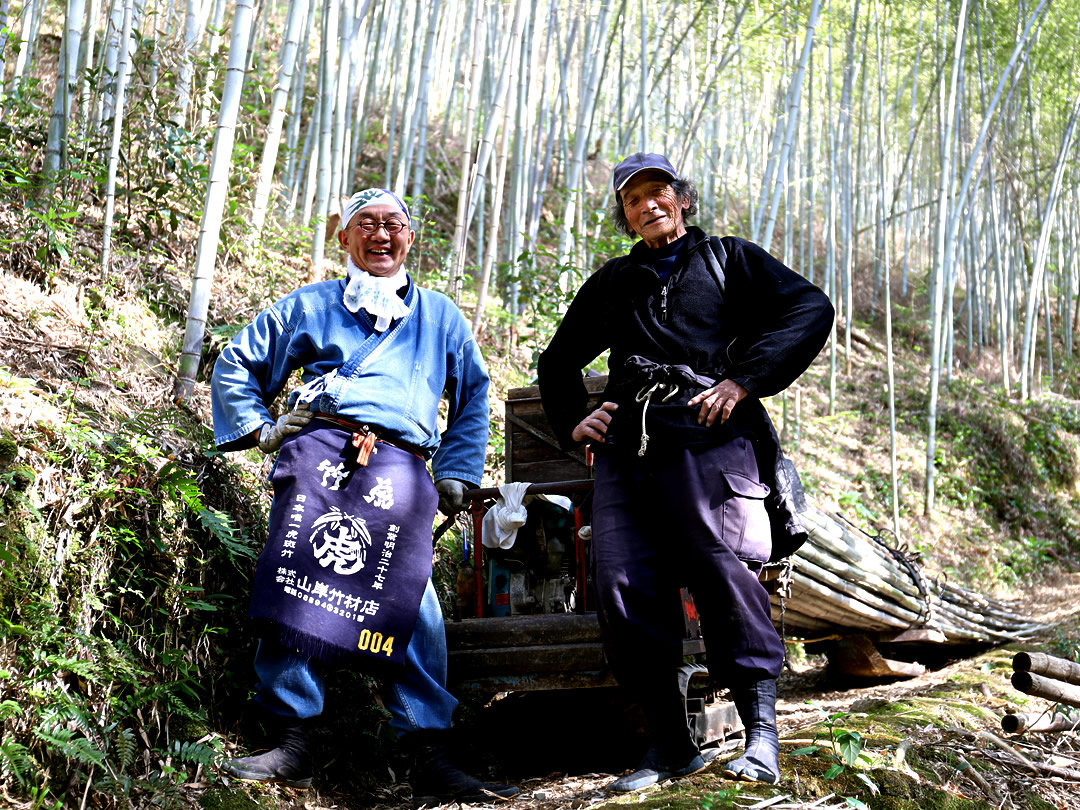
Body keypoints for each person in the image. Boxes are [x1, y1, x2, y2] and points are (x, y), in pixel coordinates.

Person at [537, 153, 833, 791]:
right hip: (628, 449)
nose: (649, 206)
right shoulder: (614, 282)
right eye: (634, 200)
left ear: (683, 199)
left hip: (709, 436)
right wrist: (572, 423)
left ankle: (760, 736)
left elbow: (809, 309)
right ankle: (671, 746)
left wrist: (744, 381)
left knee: (724, 572)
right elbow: (558, 360)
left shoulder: (731, 259)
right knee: (620, 587)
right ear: (624, 215)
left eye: (659, 193)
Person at [211, 187, 517, 803]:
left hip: (401, 468)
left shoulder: (440, 316)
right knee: (298, 582)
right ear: (344, 238)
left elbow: (474, 395)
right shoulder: (311, 303)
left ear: (410, 237)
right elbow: (237, 363)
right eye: (366, 225)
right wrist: (263, 428)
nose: (381, 235)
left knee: (413, 603)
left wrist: (457, 469)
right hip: (322, 453)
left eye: (394, 225)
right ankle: (295, 738)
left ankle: (426, 750)